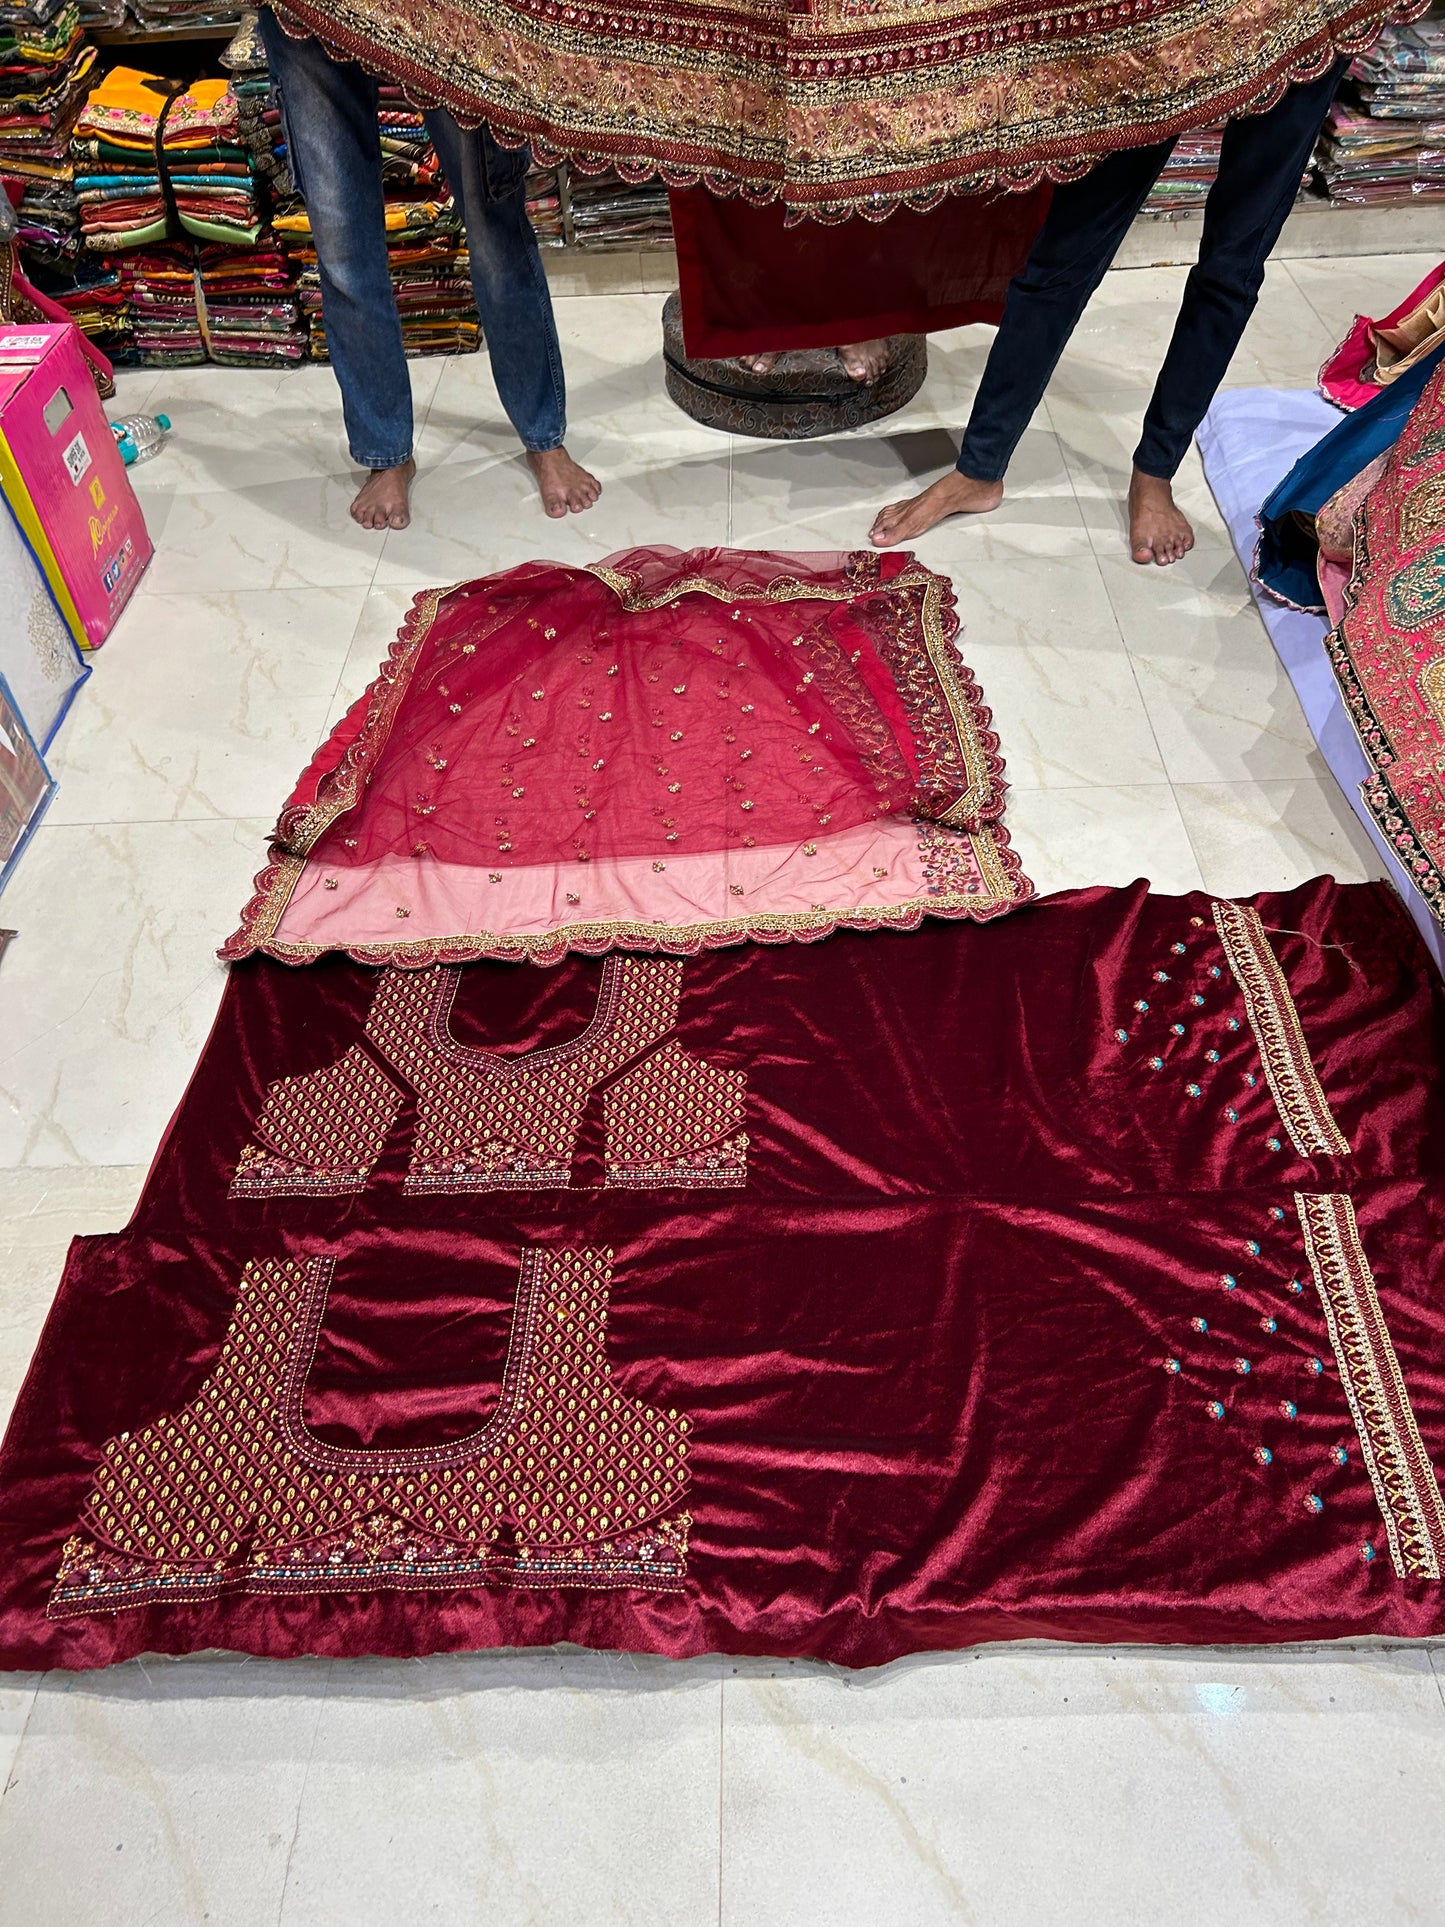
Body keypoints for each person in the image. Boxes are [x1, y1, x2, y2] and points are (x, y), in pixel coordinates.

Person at [869, 61, 1347, 564]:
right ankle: (979, 469)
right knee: (1065, 250)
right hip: (1164, 28)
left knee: (1232, 266)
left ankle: (1154, 474)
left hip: (1306, 22)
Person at [259, 11, 599, 530]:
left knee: (492, 220)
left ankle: (543, 436)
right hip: (308, 14)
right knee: (342, 238)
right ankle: (386, 452)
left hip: (449, 16)